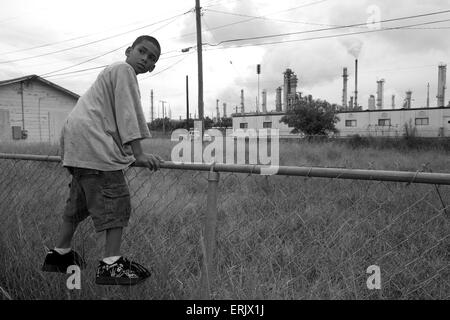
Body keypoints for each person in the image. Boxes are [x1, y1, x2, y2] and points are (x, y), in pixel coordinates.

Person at [42, 35, 164, 286]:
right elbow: (128, 112)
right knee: (117, 203)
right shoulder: (124, 69)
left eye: (151, 58)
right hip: (94, 145)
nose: (145, 58)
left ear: (153, 67)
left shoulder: (110, 73)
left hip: (78, 149)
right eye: (142, 51)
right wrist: (139, 153)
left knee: (77, 204)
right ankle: (111, 265)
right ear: (128, 51)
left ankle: (59, 255)